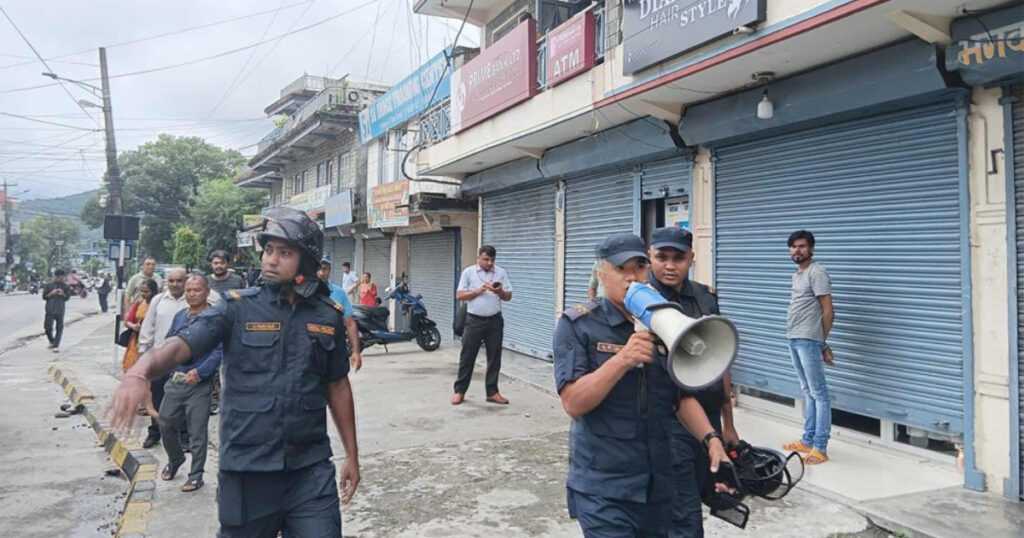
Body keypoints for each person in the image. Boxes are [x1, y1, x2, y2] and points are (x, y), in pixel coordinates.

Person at [108, 207, 360, 537]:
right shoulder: (236, 307)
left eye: (284, 253)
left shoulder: (328, 316)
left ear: (307, 262)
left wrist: (352, 457)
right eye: (268, 250)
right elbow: (181, 344)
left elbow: (337, 386)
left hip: (309, 472)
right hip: (247, 472)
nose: (270, 260)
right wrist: (138, 373)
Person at [552, 233, 731, 537]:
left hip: (658, 487)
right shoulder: (578, 325)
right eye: (622, 269)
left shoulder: (665, 325)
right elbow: (573, 402)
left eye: (639, 268)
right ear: (601, 273)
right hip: (604, 489)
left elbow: (680, 399)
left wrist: (712, 439)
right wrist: (622, 360)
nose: (631, 277)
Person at [647, 227, 741, 537]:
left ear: (692, 259)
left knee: (708, 490)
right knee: (683, 512)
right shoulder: (639, 301)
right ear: (650, 257)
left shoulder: (704, 297)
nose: (670, 266)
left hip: (709, 415)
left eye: (679, 258)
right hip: (670, 421)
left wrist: (727, 424)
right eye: (662, 257)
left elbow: (721, 361)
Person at [158, 274, 223, 493]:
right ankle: (175, 459)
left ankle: (196, 475)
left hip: (199, 384)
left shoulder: (215, 318)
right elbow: (171, 341)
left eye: (196, 290)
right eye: (188, 290)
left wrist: (202, 371)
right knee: (165, 422)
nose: (192, 294)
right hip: (175, 380)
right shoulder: (180, 316)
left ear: (206, 292)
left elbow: (219, 351)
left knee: (197, 432)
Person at [783, 230, 834, 465]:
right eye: (793, 247)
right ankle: (807, 440)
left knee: (819, 393)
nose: (797, 251)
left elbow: (827, 309)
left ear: (811, 248)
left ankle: (820, 447)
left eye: (802, 246)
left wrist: (822, 341)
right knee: (807, 390)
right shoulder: (797, 274)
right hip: (794, 336)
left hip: (808, 338)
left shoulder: (817, 272)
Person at [451, 245, 512, 406]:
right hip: (474, 321)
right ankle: (460, 391)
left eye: (492, 260)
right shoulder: (469, 272)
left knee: (494, 357)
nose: (489, 263)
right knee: (467, 356)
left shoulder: (501, 272)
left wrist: (499, 292)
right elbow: (460, 295)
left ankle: (492, 392)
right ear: (478, 258)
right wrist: (478, 291)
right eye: (486, 259)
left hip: (495, 320)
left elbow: (508, 296)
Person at [138, 268, 190, 449]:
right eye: (172, 281)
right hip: (159, 359)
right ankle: (155, 433)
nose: (175, 284)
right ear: (167, 282)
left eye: (179, 281)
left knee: (183, 400)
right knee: (157, 398)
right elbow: (148, 327)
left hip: (184, 360)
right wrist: (144, 353)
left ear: (186, 281)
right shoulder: (158, 301)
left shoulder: (191, 301)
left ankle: (184, 437)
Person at [206, 249, 245, 415]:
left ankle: (235, 397)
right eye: (215, 263)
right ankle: (214, 399)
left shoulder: (237, 280)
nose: (218, 266)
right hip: (211, 329)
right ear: (211, 264)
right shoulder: (206, 281)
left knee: (232, 364)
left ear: (227, 264)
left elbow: (245, 302)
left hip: (234, 328)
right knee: (211, 366)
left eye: (222, 263)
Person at [318, 259, 363, 372]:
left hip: (335, 350)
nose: (321, 273)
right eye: (318, 269)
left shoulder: (339, 293)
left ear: (330, 271)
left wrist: (356, 352)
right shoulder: (302, 294)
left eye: (325, 269)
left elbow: (350, 323)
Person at [42, 269, 72, 352]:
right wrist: (51, 293)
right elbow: (44, 297)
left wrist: (62, 294)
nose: (60, 279)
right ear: (55, 277)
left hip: (60, 309)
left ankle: (56, 345)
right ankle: (52, 341)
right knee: (47, 327)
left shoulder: (66, 286)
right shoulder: (48, 285)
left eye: (62, 277)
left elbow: (67, 298)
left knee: (59, 328)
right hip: (50, 309)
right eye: (58, 277)